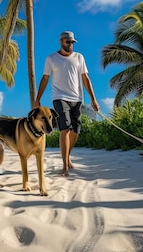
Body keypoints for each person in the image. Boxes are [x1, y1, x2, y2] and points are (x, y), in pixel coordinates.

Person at [33, 31, 99, 176]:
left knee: (75, 130)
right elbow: (44, 79)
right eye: (67, 42)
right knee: (65, 129)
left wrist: (93, 98)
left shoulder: (79, 57)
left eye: (72, 42)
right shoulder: (51, 59)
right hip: (59, 97)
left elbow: (85, 79)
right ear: (61, 42)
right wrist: (38, 99)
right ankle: (65, 166)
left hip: (77, 98)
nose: (70, 45)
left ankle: (67, 157)